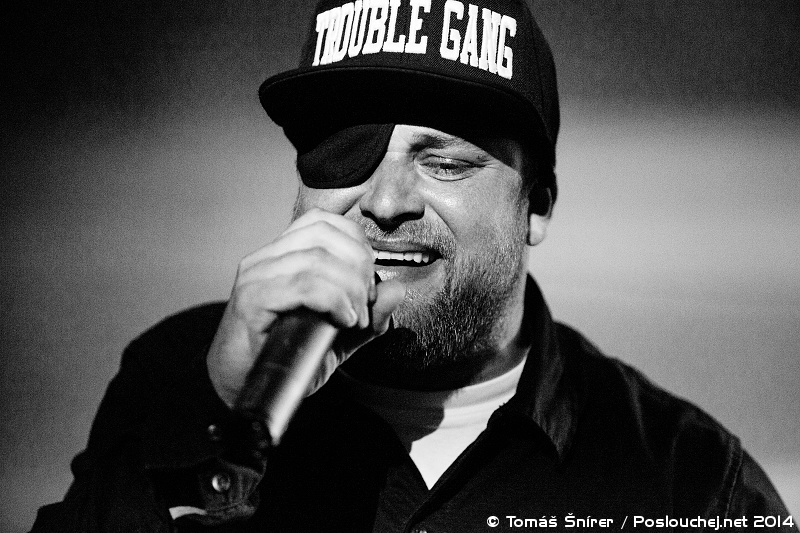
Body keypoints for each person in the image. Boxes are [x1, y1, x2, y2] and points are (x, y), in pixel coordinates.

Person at [31, 1, 796, 531]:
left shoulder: (689, 483)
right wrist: (220, 427)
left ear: (537, 206)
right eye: (347, 153)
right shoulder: (175, 379)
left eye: (447, 162)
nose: (385, 200)